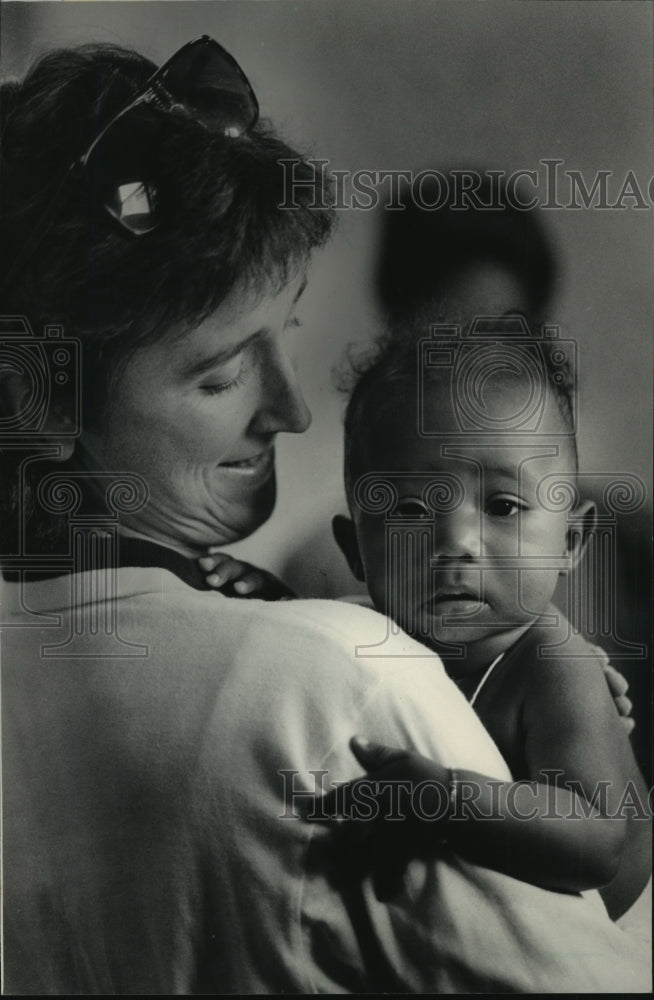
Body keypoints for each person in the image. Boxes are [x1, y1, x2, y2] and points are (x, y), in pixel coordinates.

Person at [1, 40, 650, 995]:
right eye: (220, 372)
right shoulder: (332, 683)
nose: (292, 410)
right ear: (35, 405)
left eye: (288, 334)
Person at [328, 322, 651, 925]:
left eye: (503, 506)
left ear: (571, 542)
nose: (455, 543)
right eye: (408, 510)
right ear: (355, 549)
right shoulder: (357, 637)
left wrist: (447, 800)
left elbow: (601, 843)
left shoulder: (555, 665)